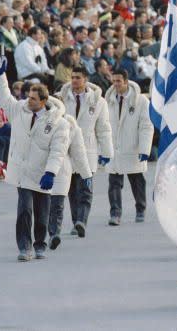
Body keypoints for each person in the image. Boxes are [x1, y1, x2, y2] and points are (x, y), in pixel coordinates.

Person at [0, 55, 70, 261]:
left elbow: (58, 150)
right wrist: (0, 76)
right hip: (22, 171)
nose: (29, 100)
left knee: (42, 213)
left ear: (44, 101)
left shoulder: (59, 123)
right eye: (28, 96)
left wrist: (51, 172)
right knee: (24, 210)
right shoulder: (19, 110)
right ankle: (24, 247)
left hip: (43, 173)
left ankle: (40, 244)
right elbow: (5, 97)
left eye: (34, 98)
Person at [57, 66, 113, 238]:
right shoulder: (61, 99)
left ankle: (82, 220)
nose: (74, 80)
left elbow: (103, 128)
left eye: (78, 77)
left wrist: (106, 152)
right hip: (67, 149)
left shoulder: (98, 101)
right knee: (72, 189)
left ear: (85, 79)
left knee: (86, 188)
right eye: (72, 77)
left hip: (88, 149)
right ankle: (76, 222)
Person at [104, 69, 153, 225]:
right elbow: (102, 127)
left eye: (119, 81)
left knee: (137, 180)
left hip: (133, 147)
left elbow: (146, 126)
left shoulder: (141, 101)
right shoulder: (108, 100)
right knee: (114, 183)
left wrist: (145, 149)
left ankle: (140, 209)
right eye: (113, 81)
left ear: (126, 81)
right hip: (114, 148)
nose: (116, 84)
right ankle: (115, 214)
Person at [47, 95, 92, 251]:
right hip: (39, 168)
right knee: (47, 205)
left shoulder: (70, 124)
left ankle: (54, 234)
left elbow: (78, 151)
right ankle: (49, 232)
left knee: (57, 203)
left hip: (62, 168)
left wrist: (86, 174)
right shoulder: (38, 121)